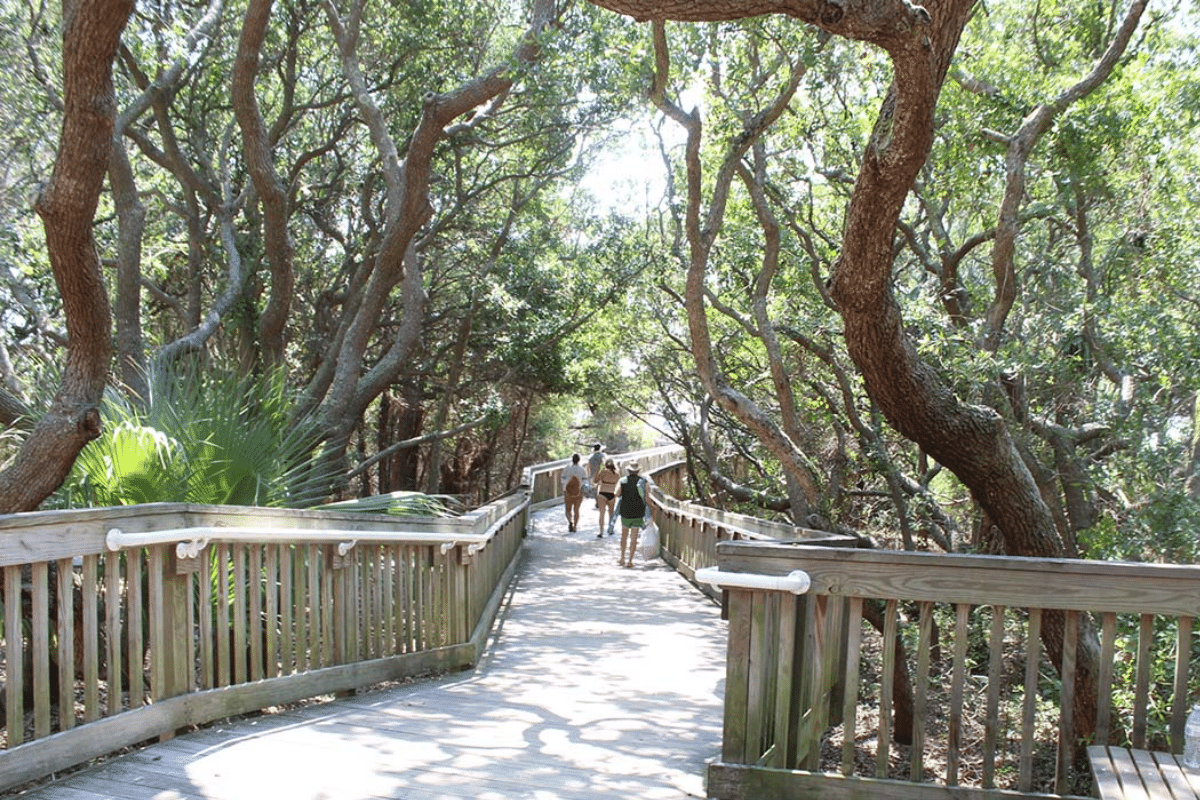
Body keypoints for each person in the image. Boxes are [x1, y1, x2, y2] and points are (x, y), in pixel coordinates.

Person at [614, 461, 652, 567]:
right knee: (634, 537)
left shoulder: (623, 480)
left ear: (628, 471)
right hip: (638, 512)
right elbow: (647, 498)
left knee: (624, 536)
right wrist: (653, 507)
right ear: (638, 471)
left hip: (625, 511)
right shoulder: (643, 481)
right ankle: (630, 560)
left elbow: (616, 494)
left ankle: (622, 558)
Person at [593, 457, 620, 538]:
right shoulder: (617, 474)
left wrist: (597, 471)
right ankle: (610, 529)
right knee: (611, 513)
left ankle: (601, 531)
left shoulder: (603, 472)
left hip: (602, 493)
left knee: (602, 513)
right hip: (612, 494)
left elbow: (595, 481)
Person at [561, 453, 588, 532]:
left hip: (568, 491)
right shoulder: (582, 469)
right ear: (579, 460)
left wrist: (565, 486)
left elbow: (562, 478)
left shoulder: (567, 468)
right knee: (576, 510)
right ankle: (575, 526)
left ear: (572, 459)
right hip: (578, 492)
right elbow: (585, 480)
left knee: (568, 509)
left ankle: (570, 522)